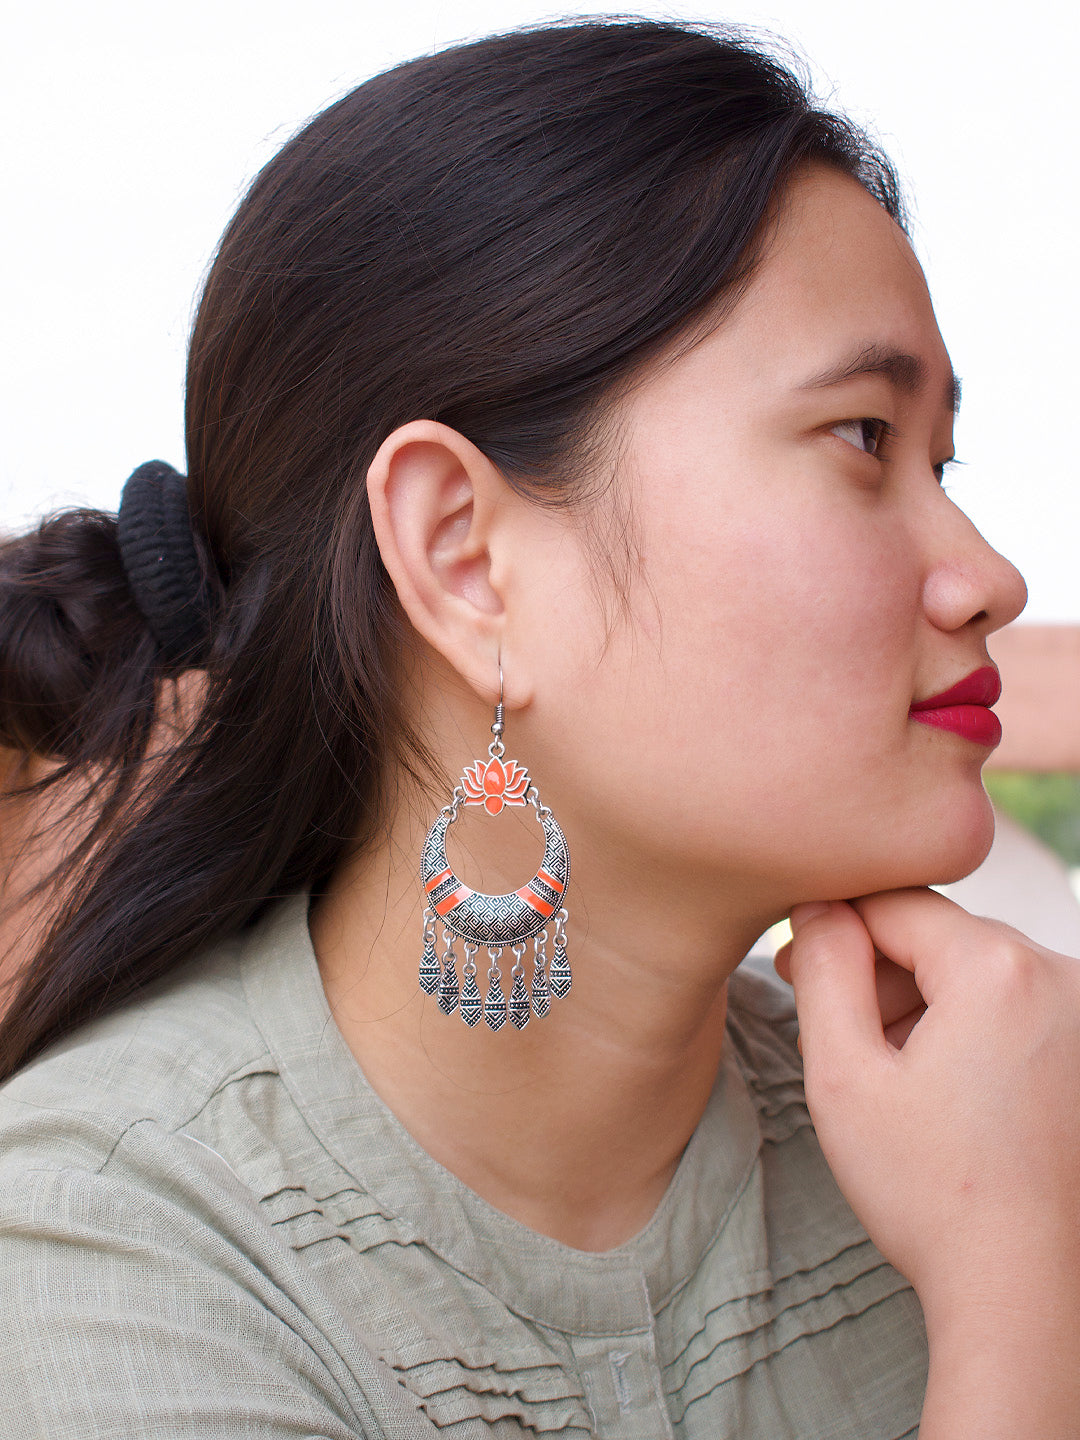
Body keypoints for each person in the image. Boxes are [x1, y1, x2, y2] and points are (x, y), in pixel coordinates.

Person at [0, 18, 1077, 1438]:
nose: (989, 574)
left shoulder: (978, 1118)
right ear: (464, 556)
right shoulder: (108, 1256)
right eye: (864, 439)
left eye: (942, 460)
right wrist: (1016, 1297)